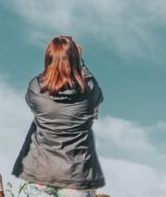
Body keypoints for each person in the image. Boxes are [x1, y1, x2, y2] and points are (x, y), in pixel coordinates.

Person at [12, 36, 105, 197]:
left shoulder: (35, 89)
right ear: (75, 60)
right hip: (77, 176)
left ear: (48, 60)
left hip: (41, 174)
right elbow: (91, 83)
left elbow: (41, 85)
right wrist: (79, 62)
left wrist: (55, 62)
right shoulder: (89, 91)